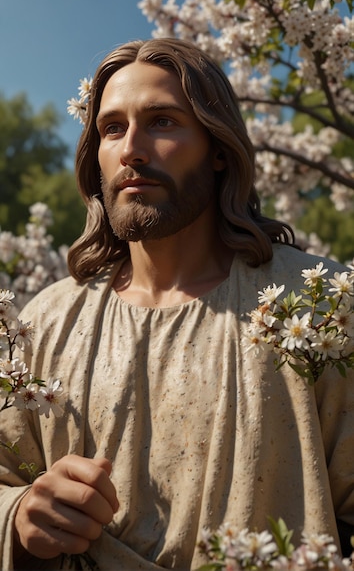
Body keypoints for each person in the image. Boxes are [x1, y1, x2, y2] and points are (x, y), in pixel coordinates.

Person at [0, 38, 353, 571]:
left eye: (162, 121)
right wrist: (23, 511)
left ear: (217, 146)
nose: (131, 149)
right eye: (112, 128)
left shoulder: (316, 306)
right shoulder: (45, 322)